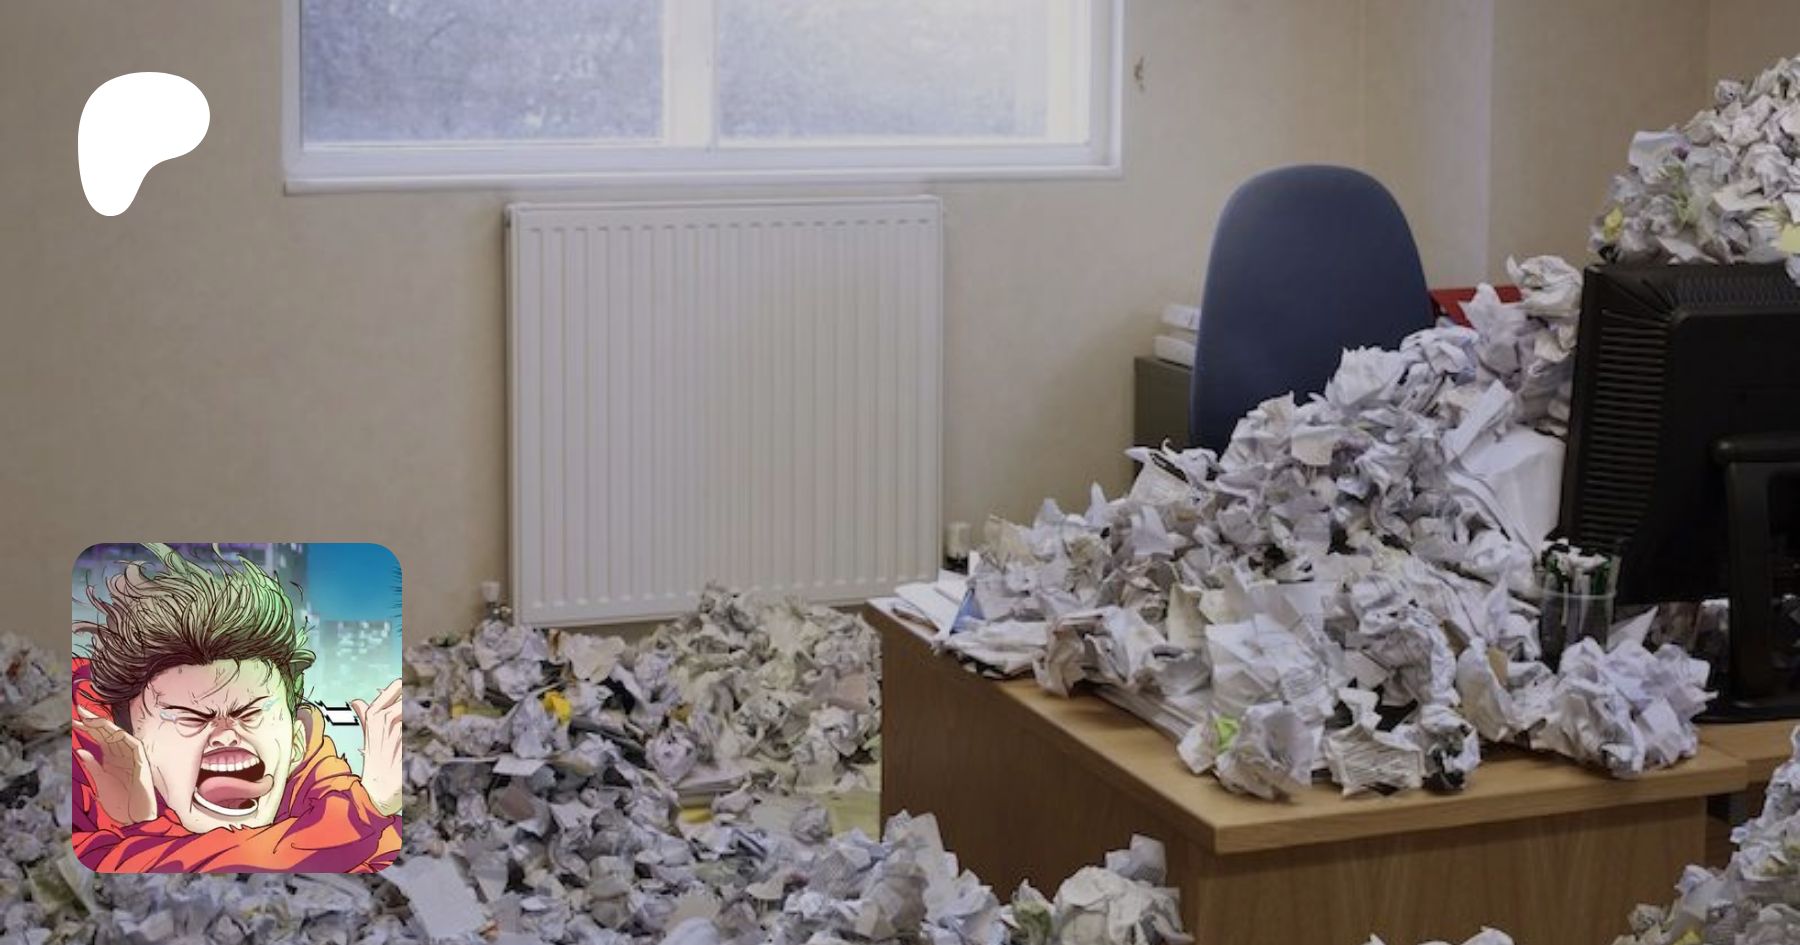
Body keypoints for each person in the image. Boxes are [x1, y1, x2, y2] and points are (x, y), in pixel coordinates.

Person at [71, 543, 401, 872]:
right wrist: (368, 808)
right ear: (128, 744)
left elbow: (373, 853)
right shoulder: (79, 766)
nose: (226, 734)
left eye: (250, 713)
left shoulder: (326, 790)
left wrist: (142, 828)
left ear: (298, 741)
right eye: (191, 718)